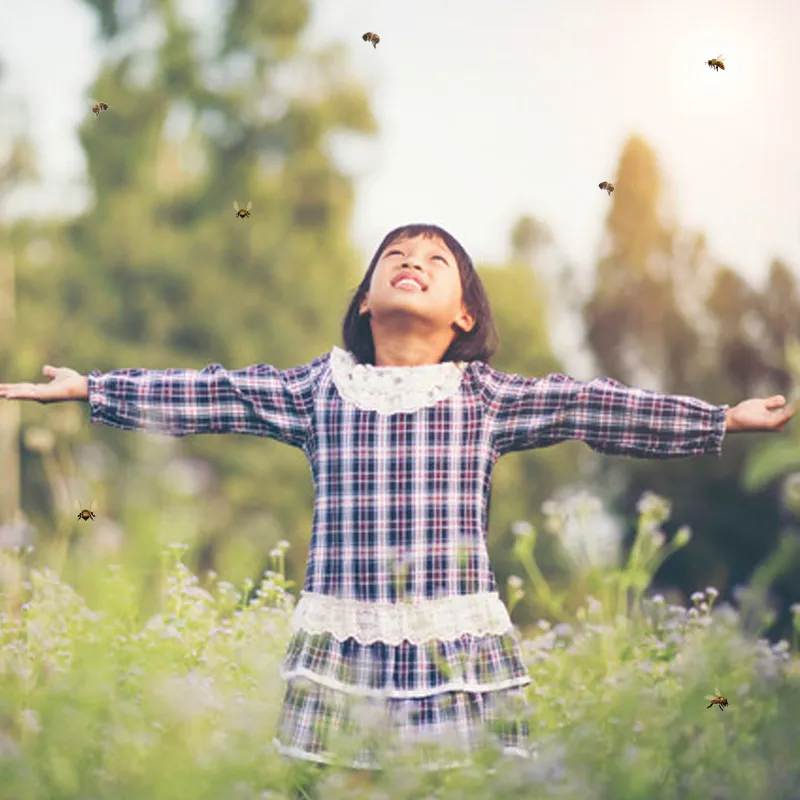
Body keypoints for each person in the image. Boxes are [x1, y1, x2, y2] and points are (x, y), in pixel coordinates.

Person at [0, 223, 795, 780]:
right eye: (394, 255)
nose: (410, 260)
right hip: (345, 648)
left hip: (453, 653)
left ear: (464, 314)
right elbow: (214, 395)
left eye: (434, 259)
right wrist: (92, 389)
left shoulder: (484, 396)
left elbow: (591, 404)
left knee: (458, 785)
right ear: (365, 300)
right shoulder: (319, 388)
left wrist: (719, 417)